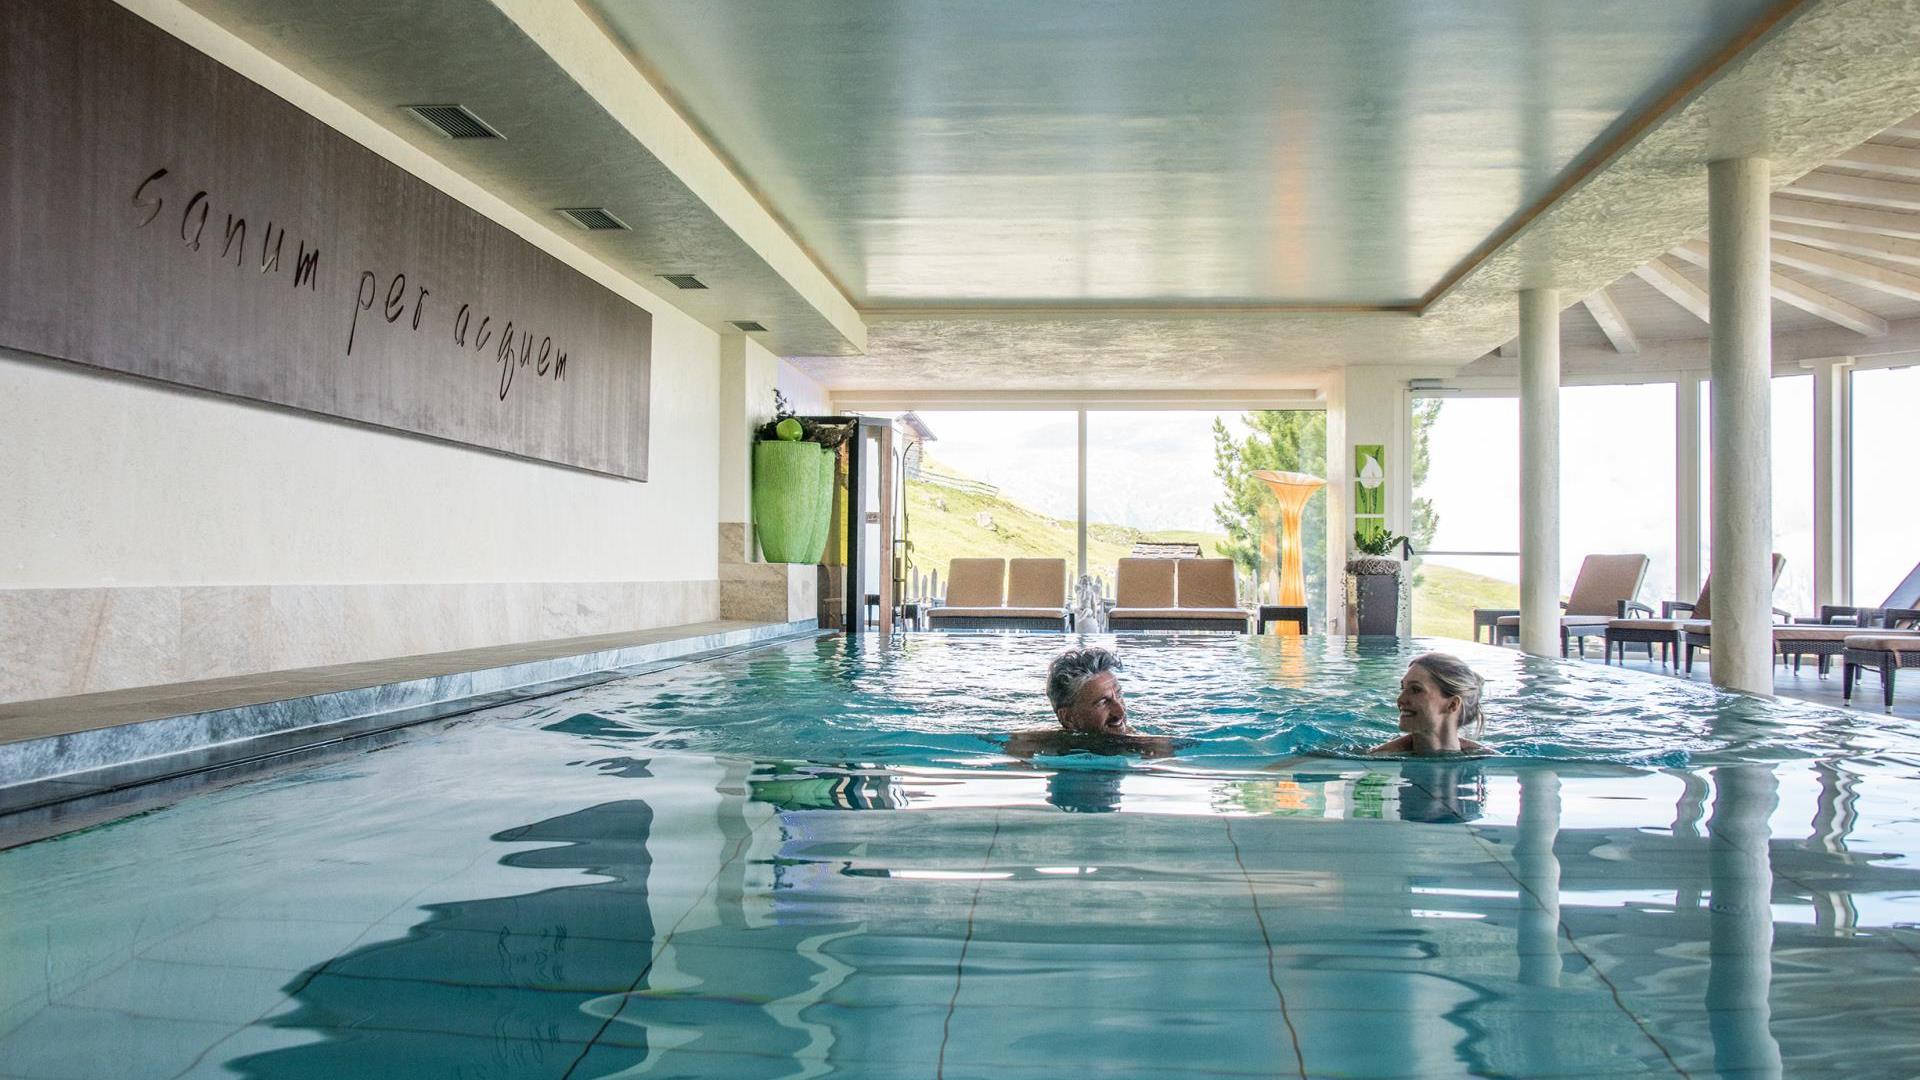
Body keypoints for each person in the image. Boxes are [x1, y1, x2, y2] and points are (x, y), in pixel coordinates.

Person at [1003, 646, 1175, 758]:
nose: (1120, 712)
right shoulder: (1029, 744)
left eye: (1119, 695)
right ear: (1068, 718)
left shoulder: (1152, 746)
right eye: (1102, 702)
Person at [1368, 652, 1491, 756]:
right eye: (1402, 688)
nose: (1400, 699)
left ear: (1452, 704)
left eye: (1416, 690)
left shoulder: (1487, 758)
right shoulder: (1379, 756)